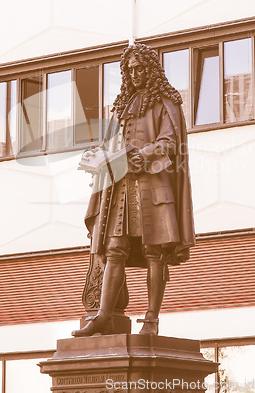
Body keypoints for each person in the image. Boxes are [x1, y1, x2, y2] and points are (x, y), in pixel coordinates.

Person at [72, 43, 195, 337]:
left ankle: (151, 319)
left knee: (155, 251)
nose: (135, 73)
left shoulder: (166, 102)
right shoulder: (124, 104)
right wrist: (100, 159)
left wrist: (142, 155)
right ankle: (103, 316)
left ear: (150, 69)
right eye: (130, 69)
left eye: (140, 68)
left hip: (153, 185)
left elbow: (169, 142)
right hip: (121, 188)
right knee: (114, 249)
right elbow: (113, 144)